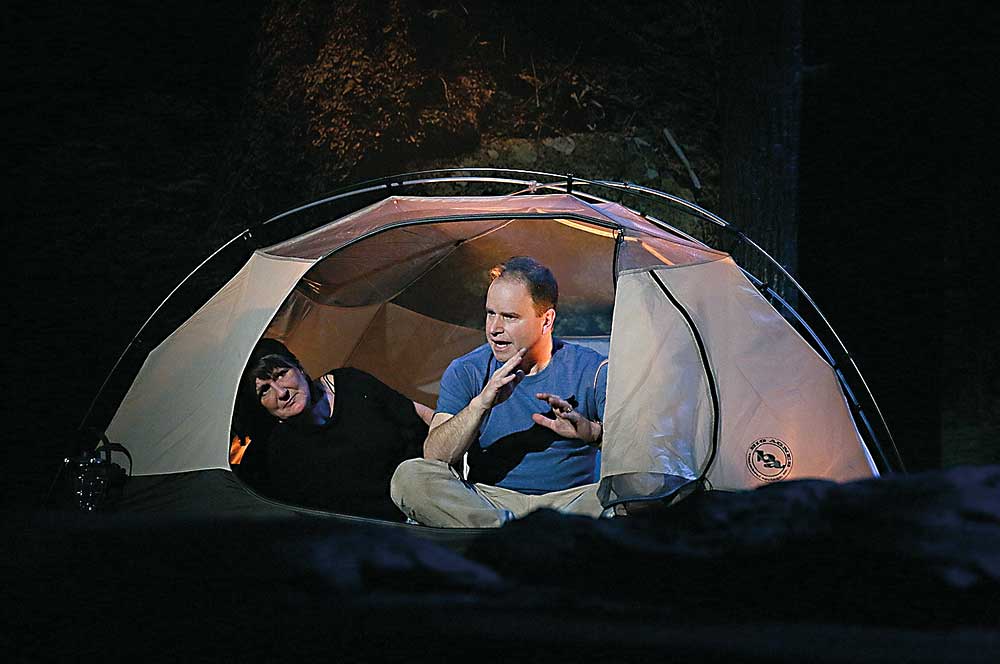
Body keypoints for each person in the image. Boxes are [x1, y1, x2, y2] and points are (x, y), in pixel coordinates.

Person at [390, 256, 608, 528]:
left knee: (638, 488)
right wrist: (479, 405)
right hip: (489, 504)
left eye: (510, 317)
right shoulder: (467, 370)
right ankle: (507, 534)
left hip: (571, 504)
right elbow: (435, 456)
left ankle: (515, 539)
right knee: (409, 477)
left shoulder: (593, 370)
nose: (494, 329)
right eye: (491, 313)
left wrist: (594, 433)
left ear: (547, 320)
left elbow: (636, 456)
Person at [234, 338, 433, 520]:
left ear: (299, 368)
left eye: (281, 374)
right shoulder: (281, 452)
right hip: (389, 535)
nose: (282, 392)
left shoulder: (351, 383)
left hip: (427, 484)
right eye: (265, 390)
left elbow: (415, 412)